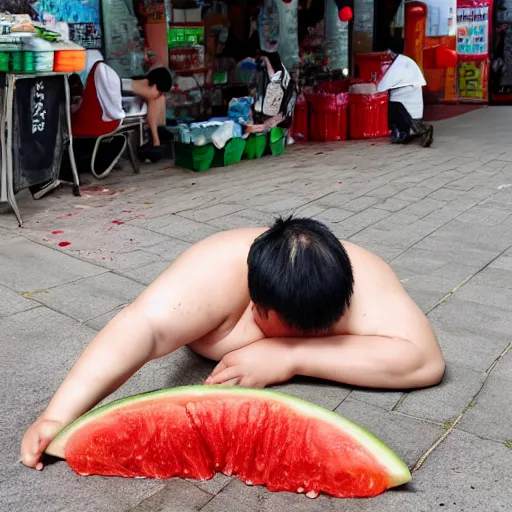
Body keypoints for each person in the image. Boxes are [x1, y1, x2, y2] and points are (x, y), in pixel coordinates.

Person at [21, 217, 445, 470]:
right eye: (295, 330)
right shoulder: (216, 273)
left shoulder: (363, 278)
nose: (316, 335)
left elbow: (424, 362)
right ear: (258, 307)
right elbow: (141, 329)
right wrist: (57, 416)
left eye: (324, 329)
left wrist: (290, 354)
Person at [377, 52, 434, 148]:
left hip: (402, 92)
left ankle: (420, 130)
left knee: (398, 110)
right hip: (412, 91)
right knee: (411, 115)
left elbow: (384, 84)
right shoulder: (407, 62)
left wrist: (378, 88)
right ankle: (416, 130)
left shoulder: (399, 64)